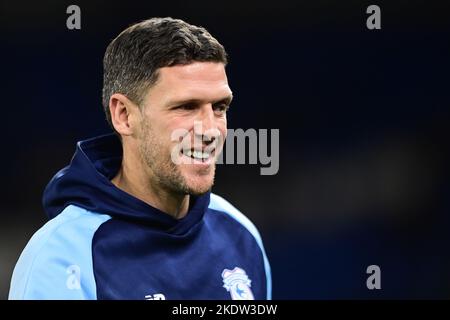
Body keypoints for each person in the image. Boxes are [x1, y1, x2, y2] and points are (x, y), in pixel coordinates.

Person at [9, 17, 271, 300]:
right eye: (186, 107)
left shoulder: (241, 236)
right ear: (124, 115)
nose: (210, 130)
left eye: (219, 107)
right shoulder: (62, 257)